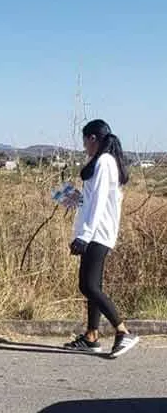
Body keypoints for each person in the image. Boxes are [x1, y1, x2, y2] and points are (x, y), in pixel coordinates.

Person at [63, 120, 139, 358]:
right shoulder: (103, 161)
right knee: (93, 285)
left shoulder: (105, 161)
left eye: (85, 141)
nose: (84, 146)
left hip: (98, 233)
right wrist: (78, 198)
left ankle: (123, 331)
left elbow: (99, 203)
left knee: (88, 286)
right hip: (96, 232)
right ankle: (91, 336)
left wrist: (84, 236)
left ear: (93, 138)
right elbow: (93, 200)